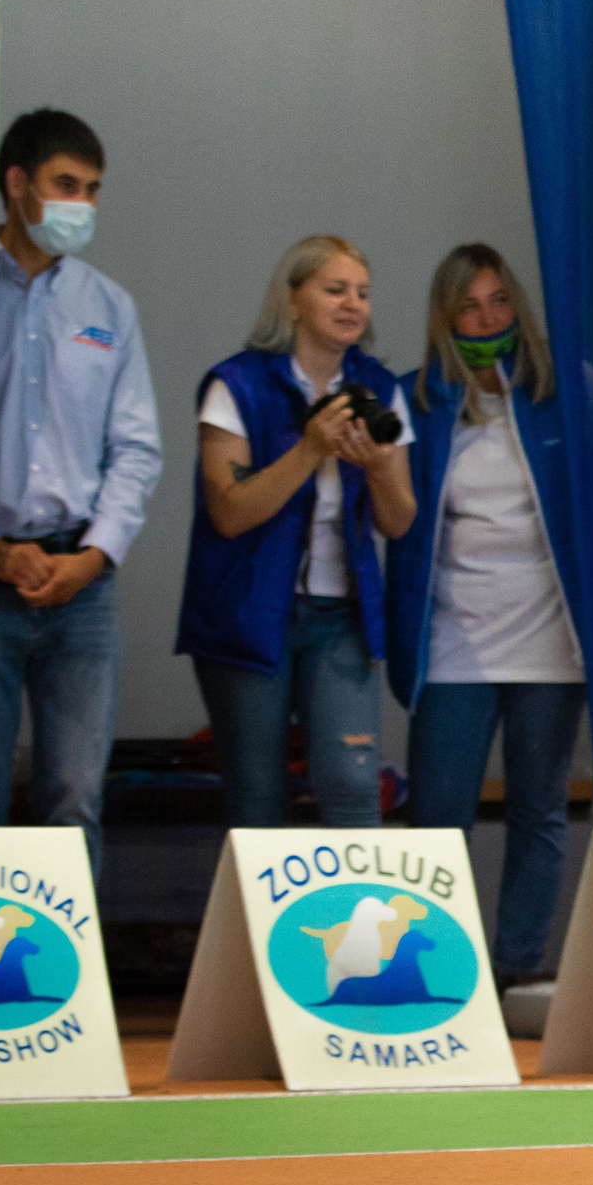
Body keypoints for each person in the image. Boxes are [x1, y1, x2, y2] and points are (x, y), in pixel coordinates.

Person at [387, 246, 585, 987]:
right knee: (439, 818)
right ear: (445, 318)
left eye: (499, 302)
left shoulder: (565, 396)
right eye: (469, 307)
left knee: (538, 813)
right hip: (451, 641)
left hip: (548, 642)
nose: (487, 319)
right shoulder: (418, 402)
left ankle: (518, 970)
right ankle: (436, 974)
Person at [177, 235, 416, 828]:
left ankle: (358, 922)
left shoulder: (380, 389)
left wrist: (382, 467)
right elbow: (229, 513)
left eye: (363, 293)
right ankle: (254, 925)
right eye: (334, 290)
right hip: (247, 612)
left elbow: (399, 521)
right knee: (256, 795)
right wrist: (309, 451)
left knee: (355, 785)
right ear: (292, 301)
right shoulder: (236, 385)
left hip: (341, 616)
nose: (352, 304)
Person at [0, 109, 162, 879]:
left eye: (91, 190)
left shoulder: (108, 306)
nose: (80, 205)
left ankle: (62, 985)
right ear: (17, 184)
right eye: (64, 185)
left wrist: (94, 555)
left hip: (81, 584)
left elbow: (136, 448)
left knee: (74, 794)